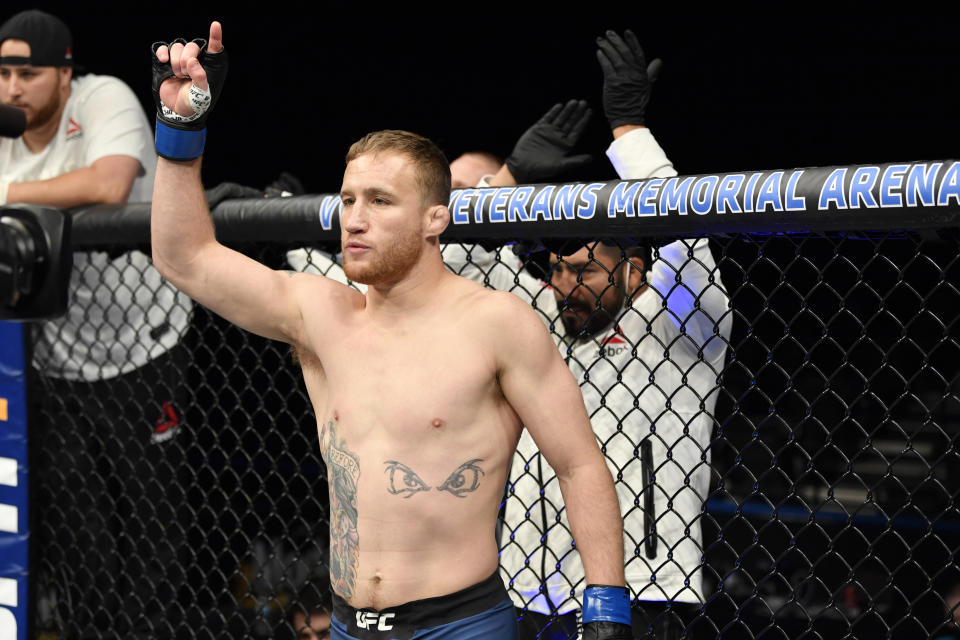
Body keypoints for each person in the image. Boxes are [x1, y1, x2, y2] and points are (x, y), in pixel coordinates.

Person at [150, 20, 636, 640]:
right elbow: (182, 257)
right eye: (349, 199)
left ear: (436, 218)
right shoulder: (320, 312)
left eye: (380, 201)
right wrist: (181, 130)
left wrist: (606, 605)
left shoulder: (496, 322)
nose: (354, 218)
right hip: (350, 623)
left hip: (460, 622)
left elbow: (578, 464)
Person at [446, 30, 732, 639]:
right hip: (525, 590)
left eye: (584, 270)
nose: (563, 283)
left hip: (645, 590)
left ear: (634, 270)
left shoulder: (680, 319)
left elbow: (683, 226)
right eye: (555, 268)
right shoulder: (540, 318)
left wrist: (629, 131)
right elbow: (458, 263)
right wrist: (512, 177)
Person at [0, 8, 192, 638]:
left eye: (27, 74)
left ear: (64, 72)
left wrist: (6, 196)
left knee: (151, 513)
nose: (12, 89)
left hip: (143, 343)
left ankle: (153, 630)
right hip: (56, 355)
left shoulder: (103, 97)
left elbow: (111, 184)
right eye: (3, 74)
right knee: (76, 520)